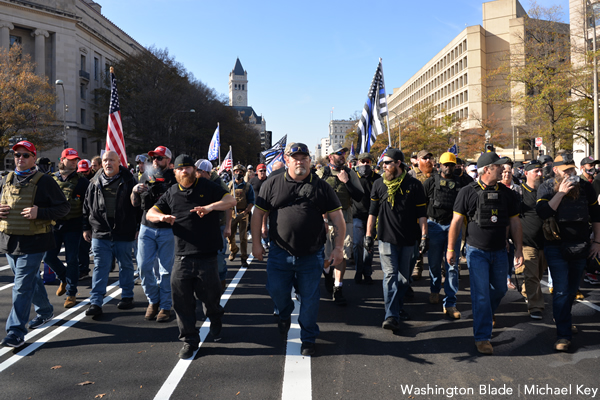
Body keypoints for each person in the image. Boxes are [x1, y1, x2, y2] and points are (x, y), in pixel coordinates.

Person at [251, 143, 344, 356]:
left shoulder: (321, 187)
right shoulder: (272, 183)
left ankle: (308, 339)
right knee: (276, 291)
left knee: (310, 299)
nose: (299, 161)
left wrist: (338, 248)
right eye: (295, 157)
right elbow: (258, 214)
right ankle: (284, 314)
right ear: (287, 160)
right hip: (279, 253)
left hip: (311, 255)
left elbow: (337, 217)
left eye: (304, 158)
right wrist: (256, 243)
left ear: (310, 161)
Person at [147, 154, 236, 359]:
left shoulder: (207, 186)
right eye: (181, 168)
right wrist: (162, 217)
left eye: (188, 168)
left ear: (194, 171)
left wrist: (210, 207)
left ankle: (214, 315)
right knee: (181, 302)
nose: (185, 171)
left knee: (210, 298)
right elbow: (150, 213)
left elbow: (230, 200)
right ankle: (189, 340)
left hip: (207, 255)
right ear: (175, 172)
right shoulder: (171, 192)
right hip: (181, 256)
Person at [447, 151, 523, 355]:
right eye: (499, 166)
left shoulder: (508, 194)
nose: (503, 169)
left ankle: (485, 313)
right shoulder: (467, 192)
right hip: (476, 252)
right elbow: (455, 222)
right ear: (487, 169)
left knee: (500, 290)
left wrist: (519, 249)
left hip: (500, 252)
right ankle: (482, 337)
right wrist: (451, 248)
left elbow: (515, 223)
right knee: (480, 295)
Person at [0, 140, 70, 347]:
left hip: (35, 241)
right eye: (17, 155)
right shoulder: (6, 179)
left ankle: (15, 331)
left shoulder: (45, 181)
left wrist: (40, 212)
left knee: (21, 286)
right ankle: (46, 310)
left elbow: (63, 208)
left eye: (25, 155)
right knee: (30, 281)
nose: (20, 159)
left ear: (33, 158)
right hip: (10, 240)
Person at [536, 154, 600, 352]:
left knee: (572, 291)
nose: (570, 173)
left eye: (571, 169)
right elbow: (543, 212)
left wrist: (597, 241)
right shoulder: (546, 186)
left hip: (581, 245)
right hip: (556, 246)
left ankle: (564, 318)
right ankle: (563, 334)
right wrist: (561, 193)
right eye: (565, 170)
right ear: (555, 170)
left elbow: (596, 214)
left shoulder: (585, 186)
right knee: (562, 290)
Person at [365, 148, 427, 331]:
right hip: (385, 239)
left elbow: (422, 215)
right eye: (383, 163)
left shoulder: (414, 185)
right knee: (390, 276)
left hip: (409, 240)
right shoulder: (378, 184)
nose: (384, 166)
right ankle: (391, 315)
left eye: (388, 163)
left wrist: (424, 236)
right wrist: (369, 236)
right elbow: (372, 213)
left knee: (403, 279)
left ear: (398, 163)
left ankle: (398, 308)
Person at [83, 150, 138, 317]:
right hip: (100, 231)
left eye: (111, 160)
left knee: (126, 265)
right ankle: (96, 302)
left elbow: (138, 207)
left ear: (119, 161)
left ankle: (127, 296)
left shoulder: (129, 180)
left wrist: (136, 227)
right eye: (105, 160)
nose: (108, 163)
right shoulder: (94, 181)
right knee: (100, 267)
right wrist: (86, 227)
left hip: (124, 231)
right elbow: (86, 206)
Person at [131, 146, 176, 322]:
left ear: (168, 160)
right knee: (143, 266)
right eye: (153, 158)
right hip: (146, 226)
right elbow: (134, 204)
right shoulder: (145, 175)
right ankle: (153, 300)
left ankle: (165, 305)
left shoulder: (174, 178)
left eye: (159, 158)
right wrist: (135, 190)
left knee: (166, 270)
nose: (155, 161)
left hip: (167, 229)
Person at [316, 143, 363, 305]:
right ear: (331, 156)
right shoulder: (321, 173)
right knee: (326, 256)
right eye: (339, 153)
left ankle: (338, 288)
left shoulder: (350, 173)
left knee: (342, 254)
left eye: (344, 153)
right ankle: (328, 274)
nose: (342, 156)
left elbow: (359, 196)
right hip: (325, 219)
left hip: (344, 218)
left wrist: (347, 182)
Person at [42, 148, 89, 309]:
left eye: (75, 159)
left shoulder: (82, 181)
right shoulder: (50, 179)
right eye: (70, 159)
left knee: (72, 260)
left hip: (73, 225)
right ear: (62, 160)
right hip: (54, 225)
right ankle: (63, 277)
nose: (74, 162)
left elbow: (87, 206)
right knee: (48, 257)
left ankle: (71, 292)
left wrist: (86, 227)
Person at [422, 152, 462, 319]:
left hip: (454, 226)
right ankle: (434, 290)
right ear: (439, 165)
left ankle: (450, 302)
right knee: (434, 263)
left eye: (451, 165)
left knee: (452, 266)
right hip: (434, 226)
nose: (448, 167)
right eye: (446, 164)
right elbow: (420, 206)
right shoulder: (430, 182)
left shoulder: (461, 182)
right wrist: (423, 232)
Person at [195, 159, 232, 291]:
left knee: (219, 258)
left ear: (204, 172)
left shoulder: (219, 184)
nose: (195, 174)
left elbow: (229, 205)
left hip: (219, 225)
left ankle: (220, 283)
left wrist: (228, 226)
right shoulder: (197, 183)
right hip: (203, 225)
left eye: (197, 171)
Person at [518, 161, 546, 319]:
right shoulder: (520, 193)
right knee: (532, 275)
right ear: (527, 173)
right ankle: (535, 306)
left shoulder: (546, 191)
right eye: (536, 171)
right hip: (527, 242)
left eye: (541, 171)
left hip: (545, 241)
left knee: (538, 274)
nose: (540, 174)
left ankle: (526, 290)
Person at [351, 152, 380, 284]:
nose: (365, 164)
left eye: (368, 162)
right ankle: (358, 270)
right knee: (357, 244)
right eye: (363, 162)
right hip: (356, 216)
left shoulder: (378, 178)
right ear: (358, 163)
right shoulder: (353, 177)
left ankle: (367, 272)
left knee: (368, 246)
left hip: (371, 217)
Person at [409, 149, 434, 280]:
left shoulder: (436, 174)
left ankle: (439, 271)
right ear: (418, 160)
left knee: (435, 244)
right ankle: (417, 268)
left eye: (430, 157)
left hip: (433, 213)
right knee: (418, 243)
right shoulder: (411, 175)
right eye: (425, 158)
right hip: (417, 215)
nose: (428, 160)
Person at [227, 164, 255, 268]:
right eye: (236, 171)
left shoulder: (247, 186)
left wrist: (246, 211)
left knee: (243, 237)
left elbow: (251, 201)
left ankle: (243, 258)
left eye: (240, 172)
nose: (238, 174)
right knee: (230, 235)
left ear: (243, 173)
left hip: (243, 213)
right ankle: (233, 250)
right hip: (232, 213)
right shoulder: (230, 185)